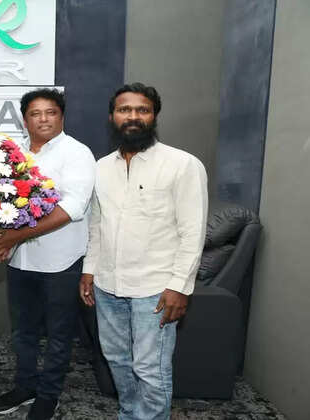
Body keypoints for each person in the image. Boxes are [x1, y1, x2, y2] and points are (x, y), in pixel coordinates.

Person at [79, 83, 208, 420]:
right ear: (112, 117)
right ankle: (129, 413)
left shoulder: (183, 164)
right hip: (107, 284)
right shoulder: (101, 167)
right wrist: (89, 269)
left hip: (156, 288)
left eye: (142, 110)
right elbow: (97, 224)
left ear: (154, 116)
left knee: (150, 368)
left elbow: (193, 232)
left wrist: (180, 286)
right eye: (125, 110)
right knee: (117, 359)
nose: (133, 116)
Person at [0, 88, 96, 420]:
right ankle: (26, 386)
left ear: (61, 117)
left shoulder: (77, 153)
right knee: (23, 332)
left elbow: (72, 208)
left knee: (59, 335)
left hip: (62, 260)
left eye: (51, 112)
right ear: (25, 119)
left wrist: (14, 236)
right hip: (20, 260)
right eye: (35, 113)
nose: (43, 119)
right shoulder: (13, 153)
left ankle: (49, 395)